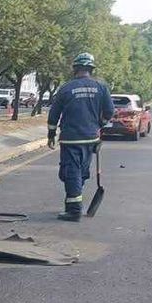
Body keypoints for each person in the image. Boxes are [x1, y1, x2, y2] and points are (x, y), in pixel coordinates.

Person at [47, 52, 114, 222]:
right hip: (90, 138)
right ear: (91, 69)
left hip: (71, 138)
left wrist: (51, 134)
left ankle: (74, 210)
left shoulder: (66, 88)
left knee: (71, 172)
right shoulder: (101, 88)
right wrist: (99, 124)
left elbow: (54, 115)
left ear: (75, 68)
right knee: (81, 171)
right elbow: (109, 112)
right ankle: (74, 201)